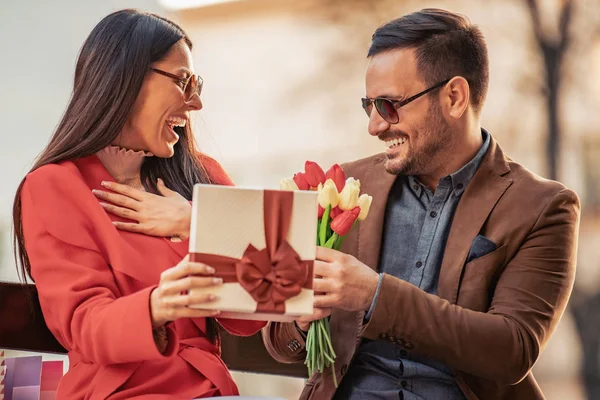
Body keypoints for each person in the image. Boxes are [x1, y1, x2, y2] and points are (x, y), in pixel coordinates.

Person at [260, 8, 581, 400]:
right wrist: (303, 323)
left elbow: (512, 350)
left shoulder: (543, 206)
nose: (375, 125)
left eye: (389, 106)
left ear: (454, 97)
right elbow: (278, 342)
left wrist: (375, 295)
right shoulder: (341, 186)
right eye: (369, 106)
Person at [13, 9, 265, 399]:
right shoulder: (54, 186)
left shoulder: (203, 175)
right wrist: (156, 306)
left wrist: (199, 224)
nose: (195, 102)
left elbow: (252, 317)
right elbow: (83, 326)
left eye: (196, 83)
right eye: (183, 81)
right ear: (125, 79)